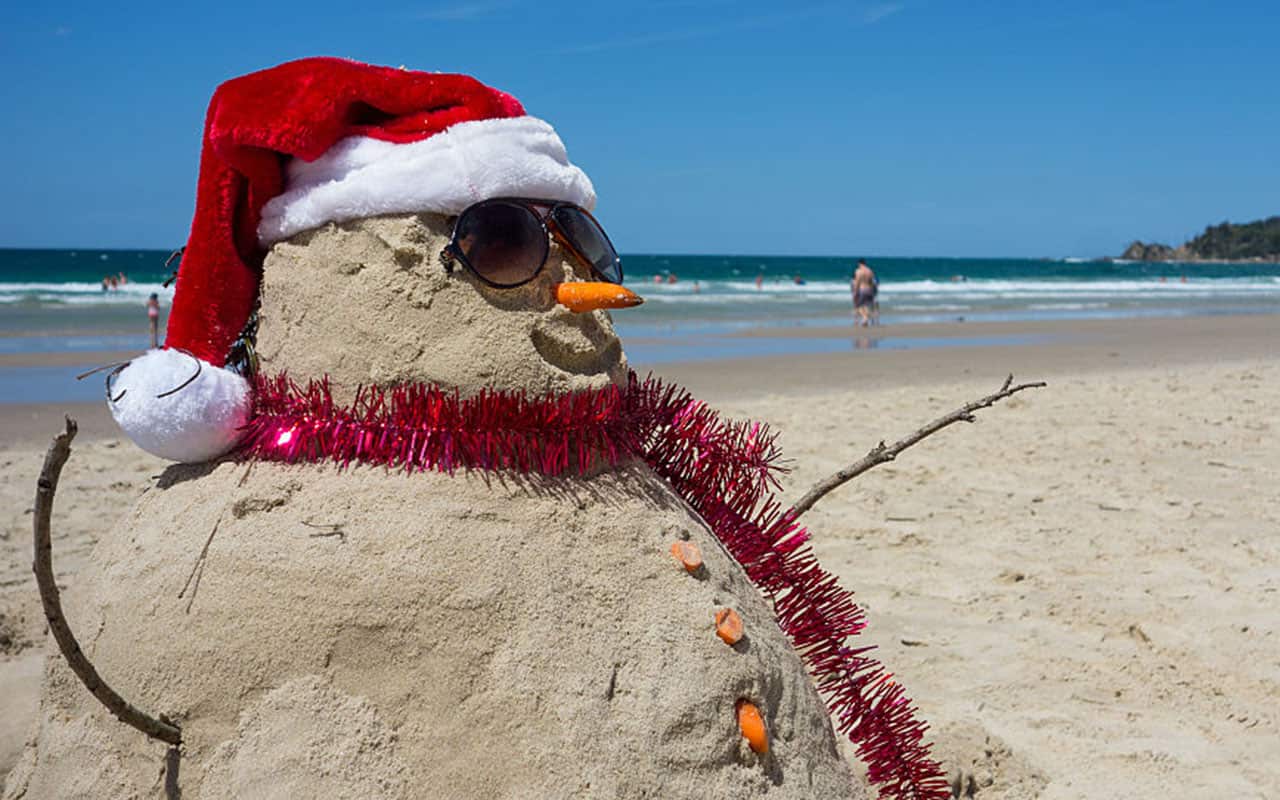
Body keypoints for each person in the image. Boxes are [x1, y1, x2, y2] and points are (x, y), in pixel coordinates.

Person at [852, 258, 878, 327]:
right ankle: (865, 320)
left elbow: (857, 282)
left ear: (859, 263)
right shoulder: (870, 271)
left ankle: (865, 318)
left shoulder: (858, 271)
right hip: (869, 290)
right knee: (866, 306)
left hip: (862, 289)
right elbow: (872, 282)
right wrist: (873, 291)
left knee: (859, 306)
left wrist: (855, 292)